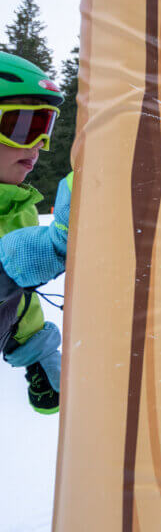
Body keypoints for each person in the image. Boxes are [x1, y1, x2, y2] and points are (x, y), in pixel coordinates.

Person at [0, 52, 69, 415]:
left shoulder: (17, 207)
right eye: (24, 125)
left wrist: (34, 352)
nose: (39, 143)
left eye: (46, 126)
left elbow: (17, 294)